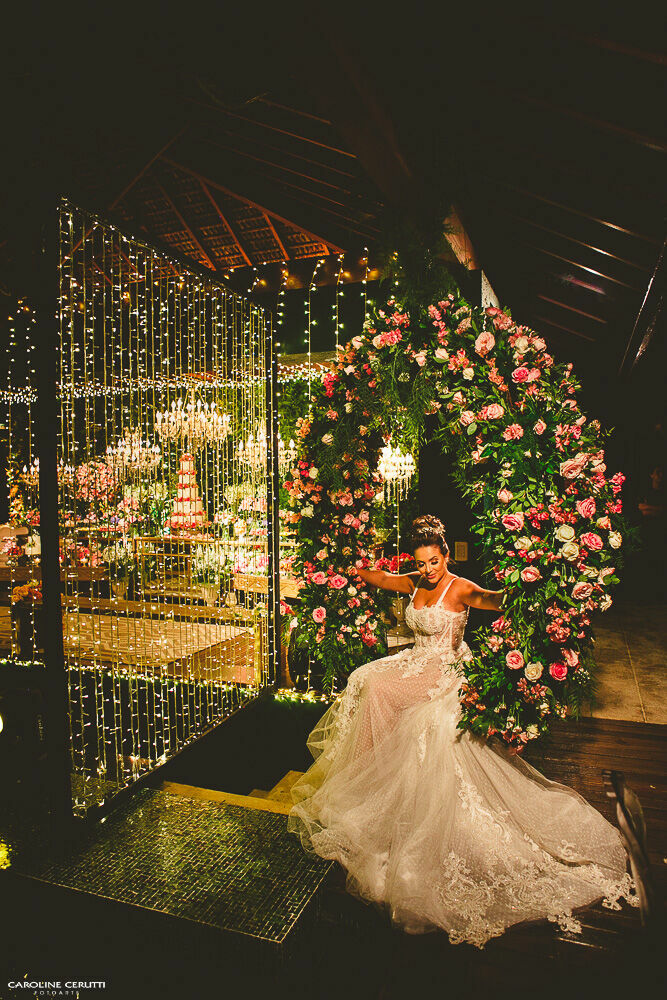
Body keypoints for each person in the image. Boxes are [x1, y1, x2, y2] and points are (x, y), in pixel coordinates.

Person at [288, 514, 636, 947]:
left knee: (414, 712)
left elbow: (496, 599)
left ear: (446, 555)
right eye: (421, 562)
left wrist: (536, 585)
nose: (428, 569)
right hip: (414, 662)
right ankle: (366, 782)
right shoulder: (414, 581)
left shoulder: (461, 587)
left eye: (434, 561)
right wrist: (355, 562)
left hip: (445, 670)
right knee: (366, 680)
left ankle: (389, 792)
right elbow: (379, 577)